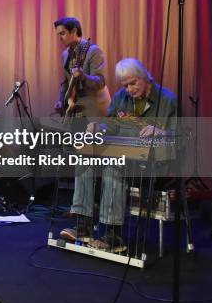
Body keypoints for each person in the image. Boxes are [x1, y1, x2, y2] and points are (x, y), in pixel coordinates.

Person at [62, 58, 178, 252]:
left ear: (145, 77)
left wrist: (163, 132)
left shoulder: (167, 100)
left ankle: (113, 234)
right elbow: (110, 125)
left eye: (133, 83)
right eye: (125, 85)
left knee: (113, 165)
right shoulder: (120, 98)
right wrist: (98, 127)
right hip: (123, 156)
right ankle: (84, 225)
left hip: (152, 166)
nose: (129, 89)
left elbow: (181, 137)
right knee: (84, 159)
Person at [53, 17, 110, 244]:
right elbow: (65, 83)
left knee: (91, 168)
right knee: (82, 167)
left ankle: (93, 223)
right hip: (76, 112)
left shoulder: (93, 51)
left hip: (94, 114)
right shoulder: (66, 55)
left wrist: (83, 76)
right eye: (58, 34)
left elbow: (101, 82)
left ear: (75, 31)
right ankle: (84, 223)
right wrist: (61, 100)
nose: (60, 38)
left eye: (63, 33)